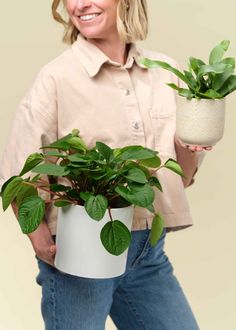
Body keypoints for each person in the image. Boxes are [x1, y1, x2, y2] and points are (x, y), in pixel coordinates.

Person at [0, 0, 213, 329]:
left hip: (146, 252)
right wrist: (37, 235)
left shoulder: (164, 73)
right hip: (78, 258)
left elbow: (181, 177)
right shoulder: (58, 77)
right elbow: (18, 167)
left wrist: (190, 145)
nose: (81, 4)